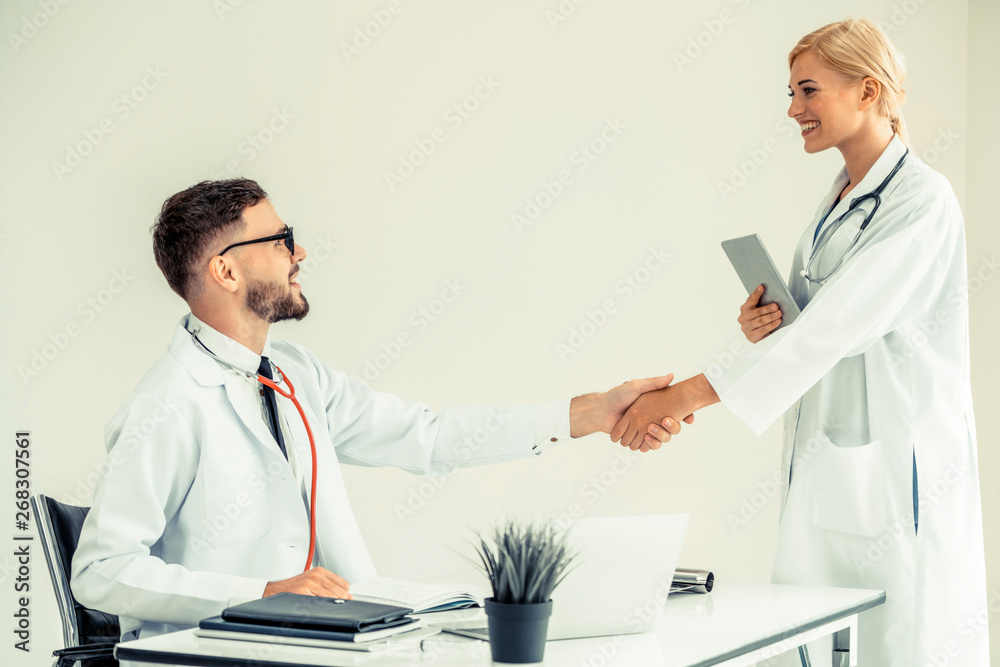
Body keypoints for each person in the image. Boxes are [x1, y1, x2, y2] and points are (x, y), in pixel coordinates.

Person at [70, 178, 686, 644]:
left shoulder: (295, 376)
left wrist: (595, 412)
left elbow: (428, 436)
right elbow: (101, 572)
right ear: (226, 270)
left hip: (326, 643)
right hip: (227, 652)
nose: (299, 249)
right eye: (281, 239)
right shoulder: (169, 403)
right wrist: (260, 593)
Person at [610, 19, 988, 666]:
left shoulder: (922, 201)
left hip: (898, 476)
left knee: (900, 640)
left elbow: (836, 328)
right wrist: (769, 323)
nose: (793, 110)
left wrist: (682, 396)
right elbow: (817, 325)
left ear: (868, 91)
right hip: (831, 464)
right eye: (790, 93)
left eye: (808, 91)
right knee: (815, 635)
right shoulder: (838, 197)